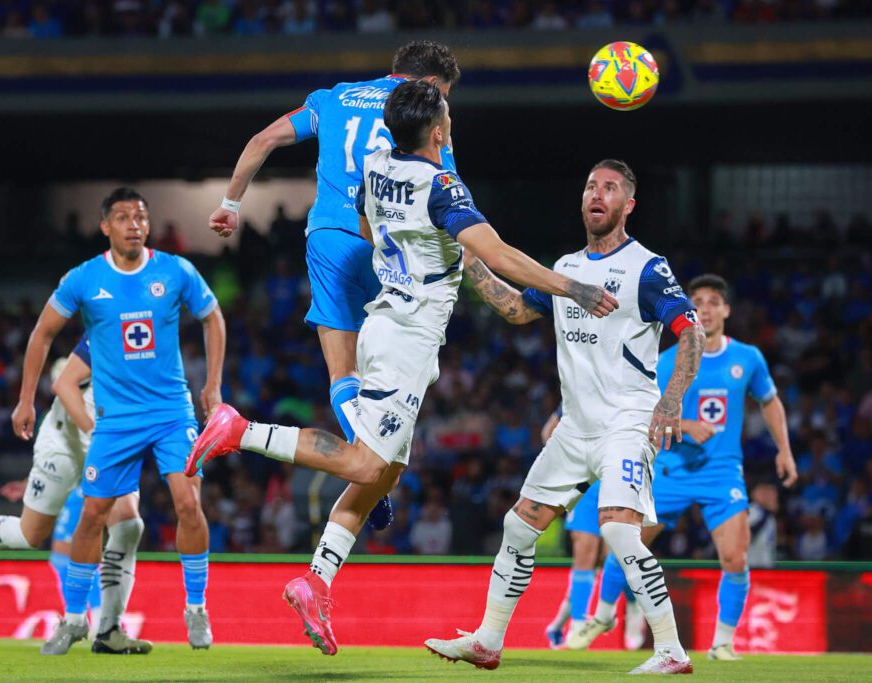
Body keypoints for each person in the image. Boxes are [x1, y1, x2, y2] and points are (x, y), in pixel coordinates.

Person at [188, 80, 617, 657]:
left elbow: (369, 227)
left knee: (385, 472)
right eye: (448, 113)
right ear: (438, 129)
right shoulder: (441, 185)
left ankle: (316, 580)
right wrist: (572, 287)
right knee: (367, 462)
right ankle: (239, 431)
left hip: (393, 323)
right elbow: (498, 254)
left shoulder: (378, 165)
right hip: (405, 336)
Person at [425, 159, 703, 675]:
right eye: (591, 186)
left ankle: (671, 650)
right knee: (517, 526)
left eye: (611, 188)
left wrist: (671, 399)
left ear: (628, 205)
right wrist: (470, 260)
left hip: (626, 418)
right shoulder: (567, 268)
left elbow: (692, 332)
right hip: (575, 427)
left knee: (619, 531)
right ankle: (487, 641)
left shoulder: (646, 266)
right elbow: (516, 309)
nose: (597, 194)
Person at [208, 40, 462, 531]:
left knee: (342, 373)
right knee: (397, 367)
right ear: (431, 86)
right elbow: (444, 186)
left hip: (329, 237)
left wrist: (231, 205)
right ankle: (372, 473)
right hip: (393, 242)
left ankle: (365, 468)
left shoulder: (335, 97)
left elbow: (263, 140)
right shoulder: (427, 116)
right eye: (444, 95)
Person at [10, 187, 226, 654]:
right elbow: (42, 333)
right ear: (105, 226)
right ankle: (73, 620)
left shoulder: (175, 271)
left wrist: (212, 386)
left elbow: (213, 318)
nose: (134, 223)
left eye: (141, 216)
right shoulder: (84, 279)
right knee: (92, 516)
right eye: (123, 216)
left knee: (189, 505)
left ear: (148, 225)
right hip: (116, 420)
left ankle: (195, 609)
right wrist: (26, 399)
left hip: (172, 413)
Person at [579, 274, 798, 661]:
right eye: (697, 302)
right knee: (630, 543)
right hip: (671, 471)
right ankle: (603, 613)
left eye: (714, 301)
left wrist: (785, 450)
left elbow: (770, 401)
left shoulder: (748, 358)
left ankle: (723, 643)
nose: (706, 309)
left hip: (722, 473)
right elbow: (645, 411)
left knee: (735, 557)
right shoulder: (666, 361)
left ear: (726, 309)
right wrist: (684, 424)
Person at [0, 342, 150, 654]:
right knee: (31, 533)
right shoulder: (108, 330)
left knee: (129, 524)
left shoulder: (156, 349)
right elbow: (62, 382)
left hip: (109, 444)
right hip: (67, 443)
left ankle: (108, 629)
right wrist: (94, 432)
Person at [540, 405, 609, 650]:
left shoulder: (627, 386)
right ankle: (578, 626)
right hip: (586, 484)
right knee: (585, 555)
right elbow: (548, 432)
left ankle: (558, 624)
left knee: (605, 560)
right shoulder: (580, 390)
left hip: (614, 479)